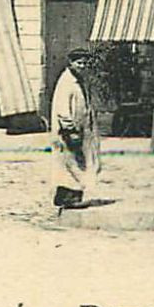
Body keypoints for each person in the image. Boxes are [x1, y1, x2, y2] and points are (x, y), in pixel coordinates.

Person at [50, 53, 100, 210]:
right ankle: (68, 197)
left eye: (85, 63)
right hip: (69, 132)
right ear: (71, 63)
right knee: (71, 164)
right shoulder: (66, 82)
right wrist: (70, 129)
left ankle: (73, 196)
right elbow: (62, 109)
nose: (82, 66)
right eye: (79, 63)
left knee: (80, 163)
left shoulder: (79, 81)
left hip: (82, 130)